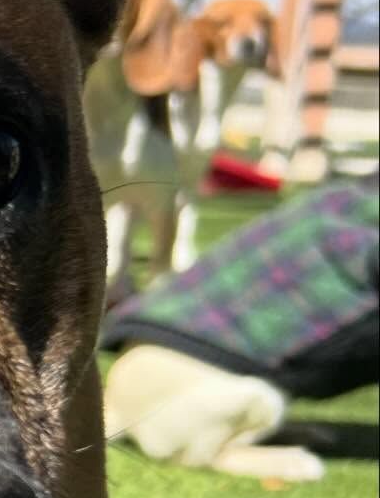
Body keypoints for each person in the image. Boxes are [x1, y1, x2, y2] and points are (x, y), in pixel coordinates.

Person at [102, 173, 379, 481]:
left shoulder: (349, 203)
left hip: (158, 365)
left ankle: (243, 431)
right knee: (260, 402)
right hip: (180, 398)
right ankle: (221, 452)